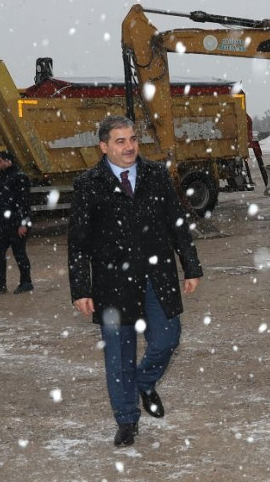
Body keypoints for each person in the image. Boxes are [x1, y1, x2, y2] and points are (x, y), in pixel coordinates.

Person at [68, 115, 203, 448]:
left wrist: (191, 265)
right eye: (120, 141)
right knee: (118, 354)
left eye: (132, 140)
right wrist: (81, 288)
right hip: (112, 281)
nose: (129, 147)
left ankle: (144, 382)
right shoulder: (89, 184)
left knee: (168, 338)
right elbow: (78, 241)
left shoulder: (156, 175)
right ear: (103, 146)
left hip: (156, 275)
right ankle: (127, 419)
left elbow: (177, 224)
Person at [0, 150, 34, 294]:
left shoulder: (20, 177)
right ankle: (0, 284)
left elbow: (24, 202)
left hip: (16, 223)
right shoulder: (1, 177)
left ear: (8, 162)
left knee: (19, 253)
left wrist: (23, 223)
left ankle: (26, 282)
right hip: (3, 223)